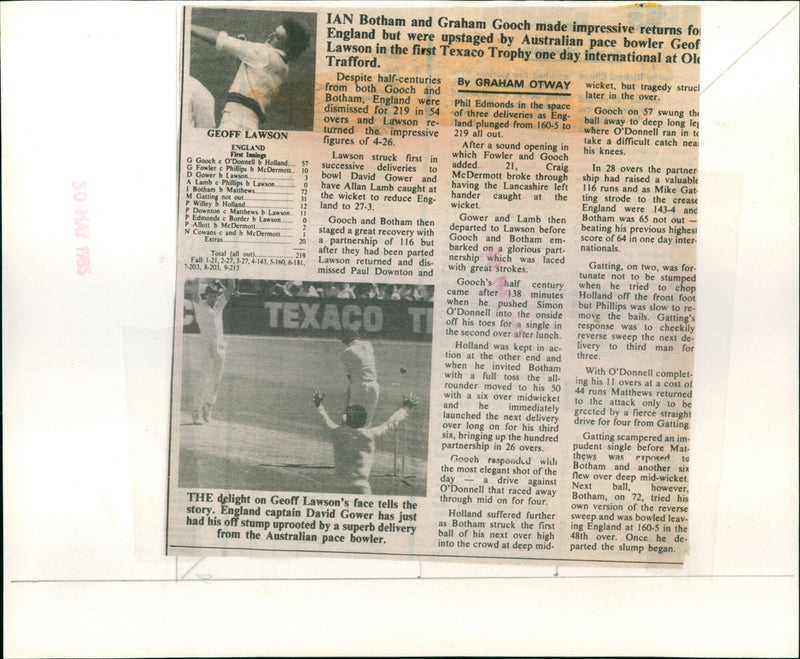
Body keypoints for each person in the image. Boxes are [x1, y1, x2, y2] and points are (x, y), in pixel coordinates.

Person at [191, 18, 310, 130]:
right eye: (273, 32)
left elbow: (221, 40)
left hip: (235, 119)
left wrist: (189, 28)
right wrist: (243, 55)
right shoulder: (284, 67)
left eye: (277, 37)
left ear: (287, 47)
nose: (270, 36)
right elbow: (247, 77)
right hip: (251, 122)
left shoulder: (265, 53)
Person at [313, 390, 418, 495]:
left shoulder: (337, 432)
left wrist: (319, 404)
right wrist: (406, 408)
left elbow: (324, 420)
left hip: (340, 485)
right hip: (361, 487)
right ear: (364, 421)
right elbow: (391, 422)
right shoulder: (370, 435)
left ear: (346, 419)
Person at [190, 280, 234, 424]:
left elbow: (230, 289)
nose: (212, 297)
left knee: (216, 380)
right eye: (210, 295)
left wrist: (231, 273)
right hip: (206, 346)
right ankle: (196, 412)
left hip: (220, 347)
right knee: (204, 379)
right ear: (206, 295)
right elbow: (194, 293)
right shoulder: (199, 306)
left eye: (215, 295)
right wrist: (197, 276)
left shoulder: (219, 306)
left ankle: (208, 407)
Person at [340, 328, 379, 427]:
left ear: (346, 339)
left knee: (352, 420)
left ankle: (347, 440)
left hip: (360, 387)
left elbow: (350, 376)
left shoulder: (345, 352)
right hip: (374, 387)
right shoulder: (368, 345)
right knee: (367, 421)